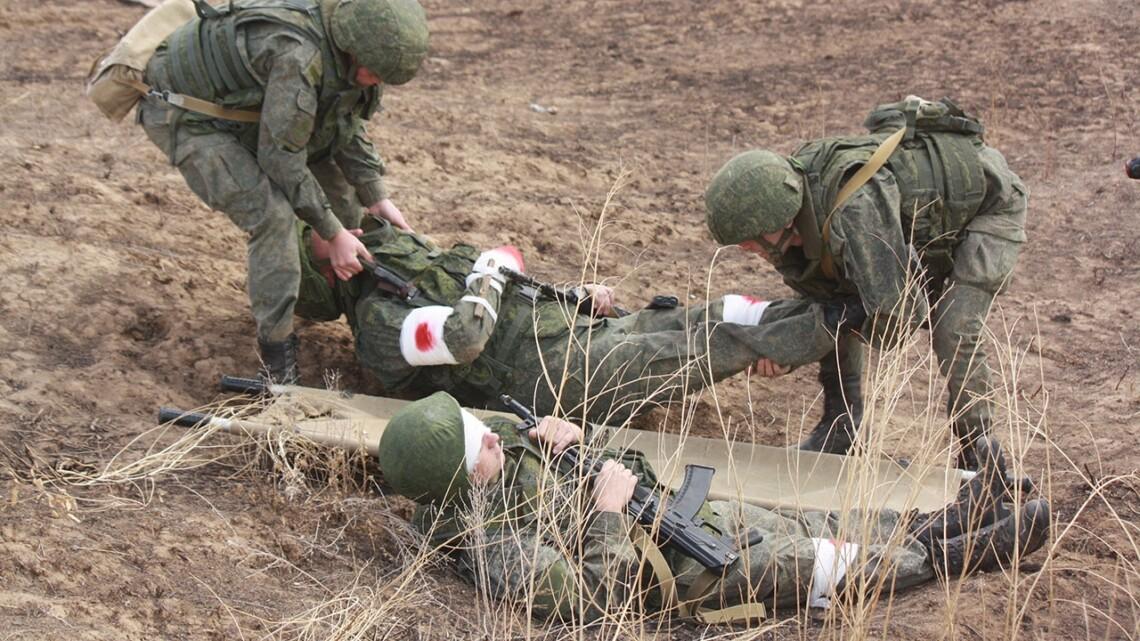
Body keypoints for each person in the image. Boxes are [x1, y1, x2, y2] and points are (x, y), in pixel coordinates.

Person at [375, 391, 1050, 622]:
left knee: (820, 518)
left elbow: (624, 474)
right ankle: (955, 554)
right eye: (477, 443)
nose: (490, 433)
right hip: (689, 576)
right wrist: (609, 514)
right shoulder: (497, 548)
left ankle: (957, 511)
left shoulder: (499, 457)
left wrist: (585, 445)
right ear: (459, 479)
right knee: (819, 563)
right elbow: (590, 602)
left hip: (683, 517)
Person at [704, 97, 1028, 468]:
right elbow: (829, 309)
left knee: (953, 328)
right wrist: (788, 353)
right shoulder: (792, 211)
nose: (746, 249)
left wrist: (804, 341)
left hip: (989, 207)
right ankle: (842, 430)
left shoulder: (854, 213)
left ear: (779, 217)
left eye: (748, 238)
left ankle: (981, 455)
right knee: (836, 306)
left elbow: (899, 315)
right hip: (920, 221)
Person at [293, 219, 863, 425]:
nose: (337, 217)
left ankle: (826, 312)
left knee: (725, 312)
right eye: (322, 227)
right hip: (561, 379)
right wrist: (492, 267)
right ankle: (850, 318)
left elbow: (502, 301)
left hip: (570, 335)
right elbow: (465, 339)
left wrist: (573, 296)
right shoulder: (378, 326)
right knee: (717, 341)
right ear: (327, 270)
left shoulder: (403, 264)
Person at [137, 0, 429, 383]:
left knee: (350, 215)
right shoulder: (298, 55)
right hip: (189, 114)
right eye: (373, 73)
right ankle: (276, 359)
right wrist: (331, 232)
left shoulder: (347, 49)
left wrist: (376, 196)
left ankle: (333, 303)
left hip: (250, 107)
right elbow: (281, 160)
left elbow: (342, 123)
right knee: (271, 216)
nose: (375, 82)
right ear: (352, 47)